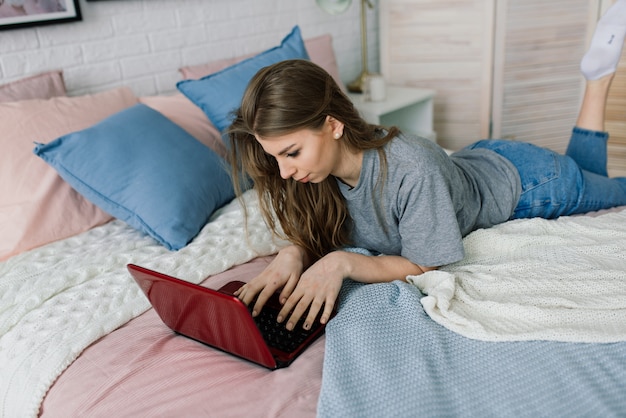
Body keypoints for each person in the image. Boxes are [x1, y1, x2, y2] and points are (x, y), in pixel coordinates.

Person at [227, 1, 626, 332]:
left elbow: (423, 263)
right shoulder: (315, 172)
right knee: (592, 172)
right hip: (474, 162)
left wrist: (342, 261)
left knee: (615, 191)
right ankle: (597, 79)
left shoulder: (410, 167)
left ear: (332, 125)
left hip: (532, 182)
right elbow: (322, 227)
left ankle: (596, 80)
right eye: (274, 156)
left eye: (291, 153)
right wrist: (294, 253)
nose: (283, 172)